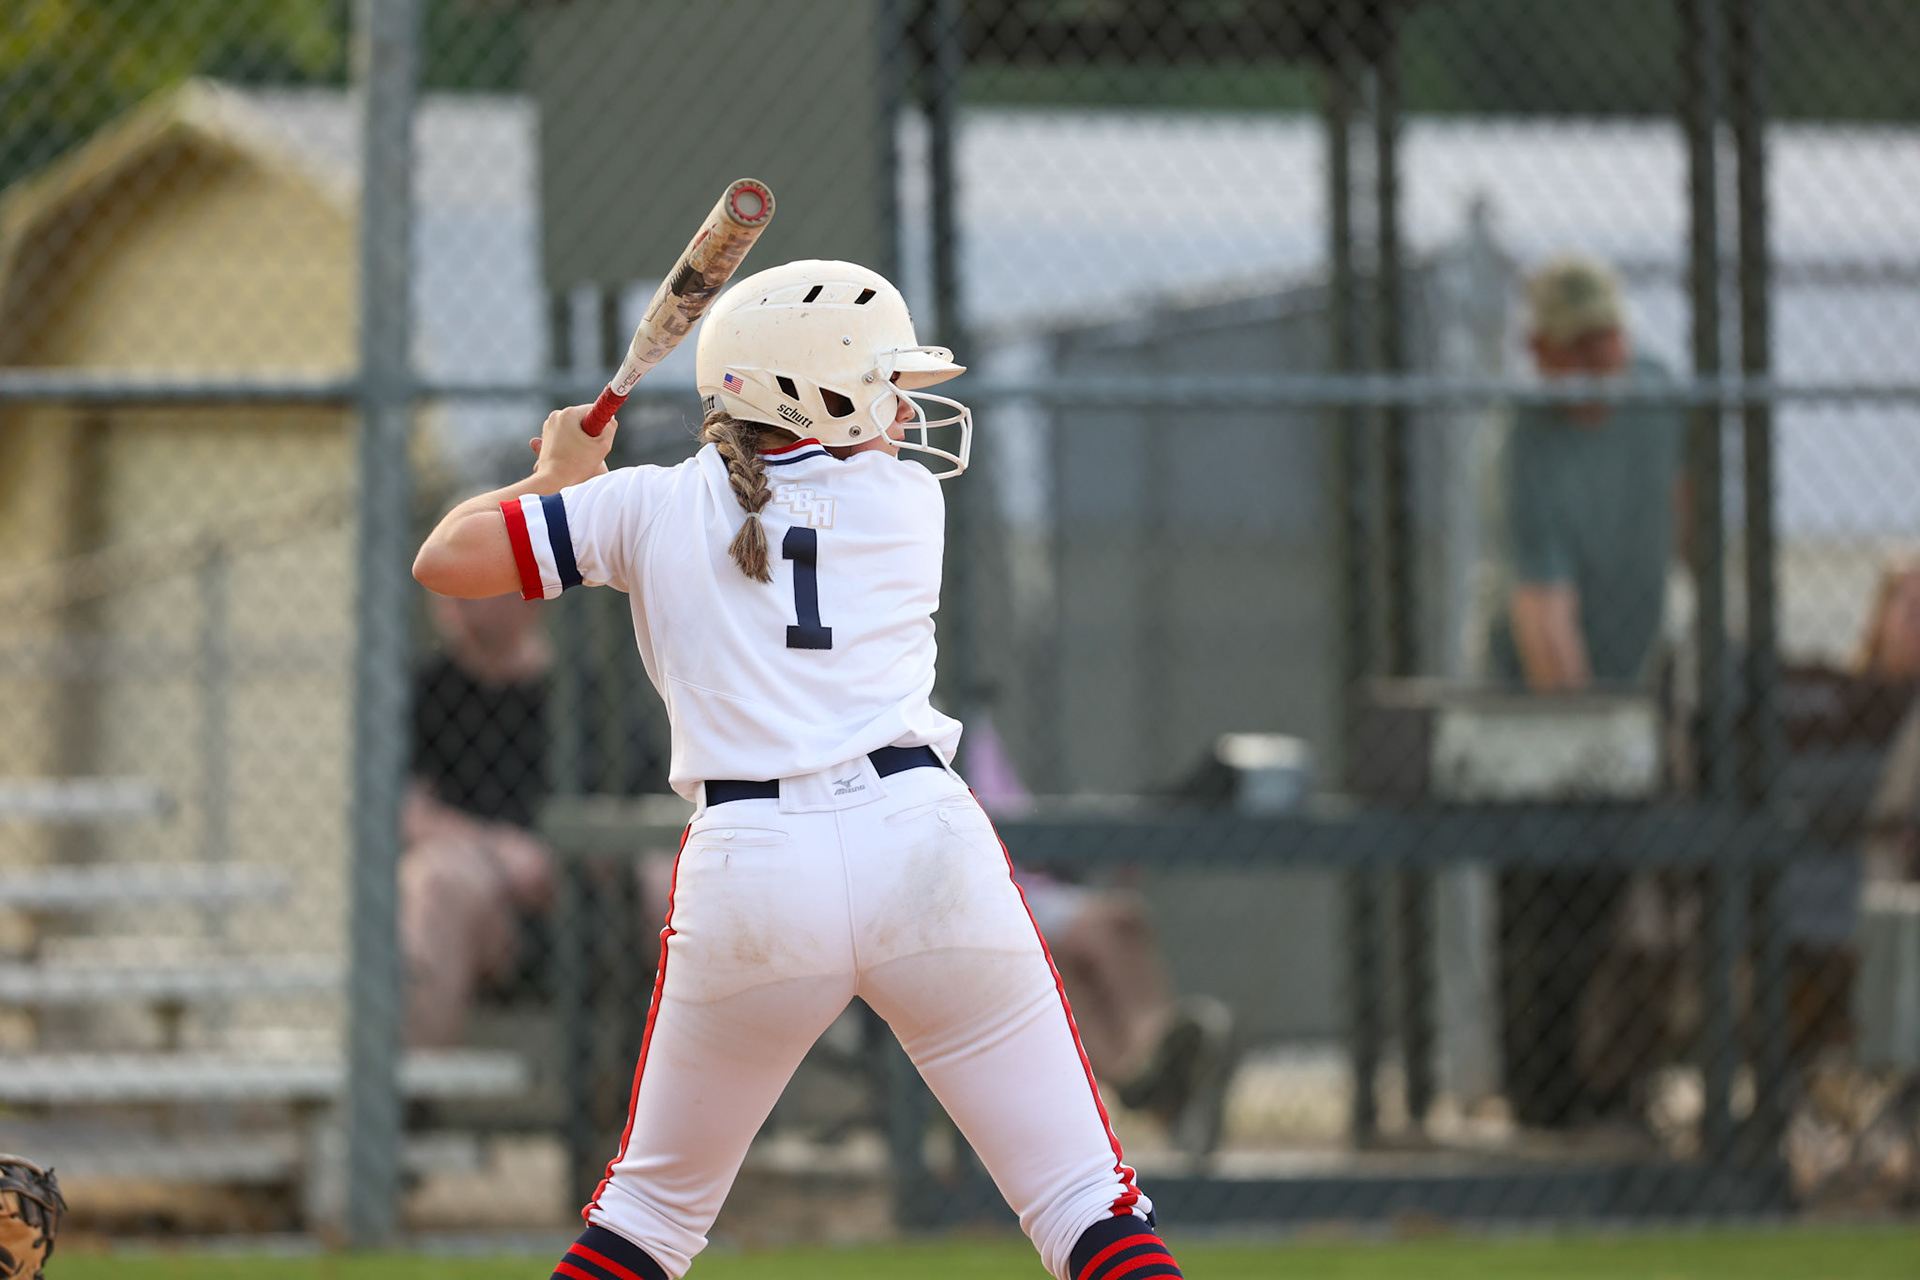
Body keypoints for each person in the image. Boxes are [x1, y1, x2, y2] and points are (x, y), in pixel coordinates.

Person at [414, 260, 1184, 1280]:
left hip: (755, 867)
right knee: (1086, 1196)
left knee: (646, 1217)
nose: (905, 404)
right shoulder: (907, 499)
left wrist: (557, 481)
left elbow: (449, 557)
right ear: (815, 393)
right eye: (882, 380)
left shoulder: (648, 507)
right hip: (925, 847)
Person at [1488, 255, 1688, 1128]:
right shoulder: (1523, 443)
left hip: (1635, 677)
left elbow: (1686, 521)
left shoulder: (1663, 397)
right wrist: (1593, 742)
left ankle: (1613, 1084)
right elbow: (1545, 620)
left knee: (1622, 905)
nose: (1598, 364)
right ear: (1540, 351)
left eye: (1607, 340)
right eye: (1576, 349)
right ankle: (1544, 1102)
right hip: (1544, 700)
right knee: (1544, 893)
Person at [403, 589, 554, 1049]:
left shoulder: (577, 691)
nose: (454, 596)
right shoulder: (425, 690)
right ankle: (413, 1102)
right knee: (436, 881)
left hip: (573, 891)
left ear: (530, 596)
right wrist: (496, 851)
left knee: (674, 883)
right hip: (480, 890)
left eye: (473, 580)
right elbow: (406, 812)